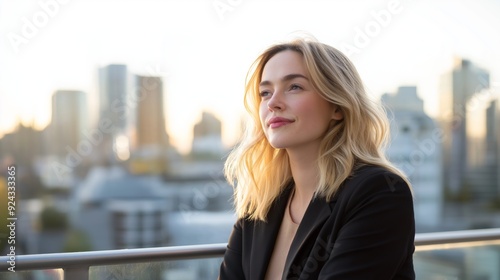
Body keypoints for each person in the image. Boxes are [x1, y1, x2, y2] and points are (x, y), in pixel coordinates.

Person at [218, 37, 415, 279]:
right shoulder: (260, 204)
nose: (273, 103)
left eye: (294, 87)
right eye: (265, 92)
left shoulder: (380, 192)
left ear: (338, 107)